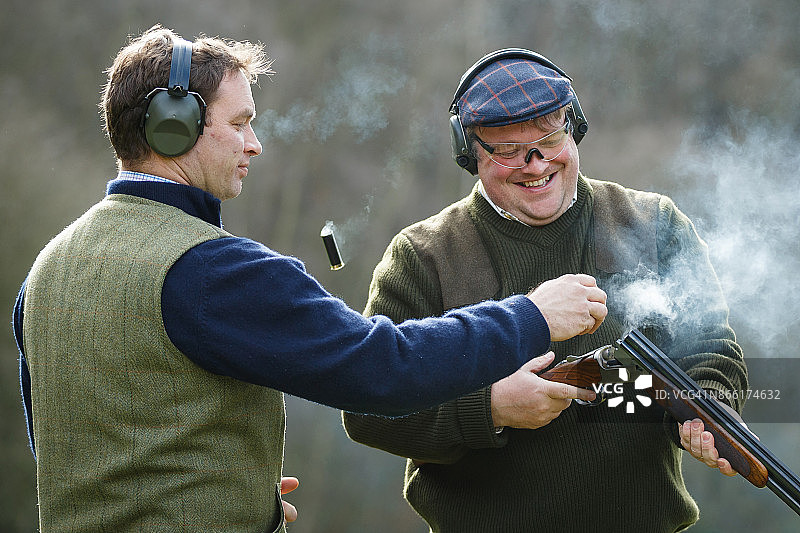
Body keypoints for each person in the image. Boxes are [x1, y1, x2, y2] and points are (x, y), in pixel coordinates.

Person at [11, 32, 609, 533]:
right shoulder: (212, 272)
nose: (254, 142)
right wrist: (531, 315)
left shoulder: (49, 267)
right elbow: (384, 368)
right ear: (176, 127)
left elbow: (84, 450)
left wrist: (224, 486)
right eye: (239, 122)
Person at [343, 49, 748, 532]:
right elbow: (369, 408)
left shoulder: (652, 223)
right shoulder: (423, 256)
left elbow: (712, 350)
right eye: (507, 150)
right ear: (470, 153)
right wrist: (491, 409)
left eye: (548, 139)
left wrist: (704, 410)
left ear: (573, 129)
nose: (534, 164)